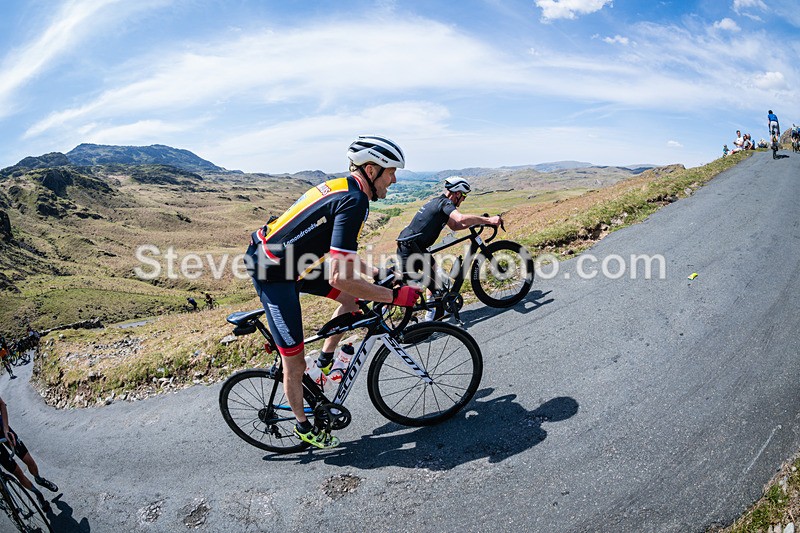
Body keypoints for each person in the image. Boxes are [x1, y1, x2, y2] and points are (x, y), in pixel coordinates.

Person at [245, 135, 420, 449]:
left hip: (293, 262)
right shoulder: (354, 201)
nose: (393, 180)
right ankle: (304, 427)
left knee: (351, 300)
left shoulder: (346, 189)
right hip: (273, 274)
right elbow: (341, 276)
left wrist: (378, 275)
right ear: (371, 169)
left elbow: (340, 253)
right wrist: (393, 297)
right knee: (294, 364)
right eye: (391, 172)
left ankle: (326, 359)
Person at [395, 176, 502, 320]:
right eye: (463, 196)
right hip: (410, 248)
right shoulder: (446, 203)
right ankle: (384, 316)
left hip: (416, 246)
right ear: (457, 193)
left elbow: (456, 225)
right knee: (403, 289)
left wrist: (476, 222)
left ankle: (433, 314)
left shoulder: (438, 202)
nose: (463, 199)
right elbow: (460, 219)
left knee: (437, 278)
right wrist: (489, 220)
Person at [0, 395, 58, 513]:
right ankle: (38, 494)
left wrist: (6, 429)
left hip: (2, 429)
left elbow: (1, 404)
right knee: (18, 473)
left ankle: (39, 479)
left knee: (29, 461)